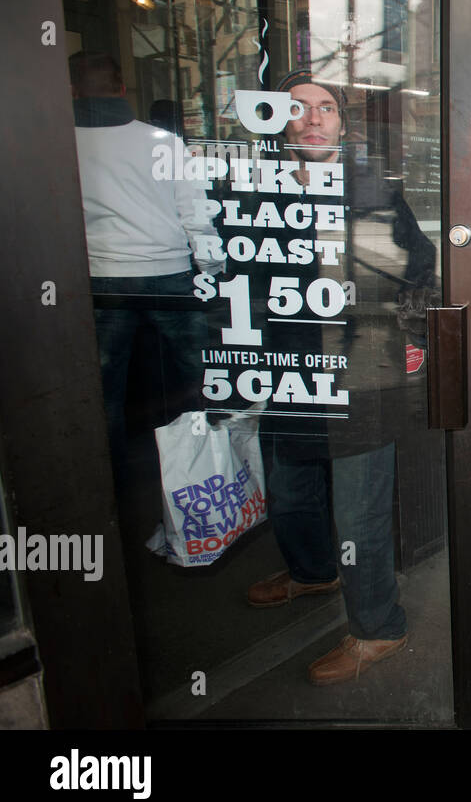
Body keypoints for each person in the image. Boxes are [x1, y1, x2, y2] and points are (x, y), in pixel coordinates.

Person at [244, 70, 437, 684]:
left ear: (343, 124)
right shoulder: (258, 190)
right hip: (288, 369)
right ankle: (311, 572)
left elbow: (421, 269)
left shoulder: (374, 188)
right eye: (297, 108)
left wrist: (399, 343)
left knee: (359, 512)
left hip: (361, 375)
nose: (312, 117)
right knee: (292, 490)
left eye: (325, 108)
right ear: (279, 121)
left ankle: (379, 627)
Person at [70, 51, 221, 482]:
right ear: (122, 88)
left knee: (106, 393)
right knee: (194, 381)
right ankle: (201, 476)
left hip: (102, 278)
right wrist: (210, 268)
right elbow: (194, 208)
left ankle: (110, 487)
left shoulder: (58, 143)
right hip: (169, 273)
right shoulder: (161, 141)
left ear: (72, 91)